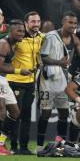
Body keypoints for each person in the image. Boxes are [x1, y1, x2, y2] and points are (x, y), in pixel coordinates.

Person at [36, 12, 80, 151]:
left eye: (75, 23)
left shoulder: (74, 39)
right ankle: (38, 146)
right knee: (46, 113)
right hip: (47, 79)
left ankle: (60, 144)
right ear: (63, 22)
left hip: (63, 79)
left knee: (64, 113)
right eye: (70, 23)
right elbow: (42, 58)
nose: (73, 26)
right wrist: (59, 62)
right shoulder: (51, 36)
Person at [6, 11, 43, 154]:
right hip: (15, 81)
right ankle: (13, 147)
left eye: (38, 21)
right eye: (33, 22)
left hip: (30, 83)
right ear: (26, 23)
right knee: (16, 115)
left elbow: (39, 55)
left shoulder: (40, 37)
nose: (36, 24)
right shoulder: (17, 38)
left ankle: (23, 147)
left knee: (26, 115)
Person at [0, 20, 26, 155]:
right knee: (2, 112)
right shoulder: (4, 44)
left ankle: (1, 142)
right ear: (11, 31)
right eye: (19, 31)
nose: (22, 34)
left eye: (23, 31)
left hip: (3, 80)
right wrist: (18, 71)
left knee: (15, 113)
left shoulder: (14, 44)